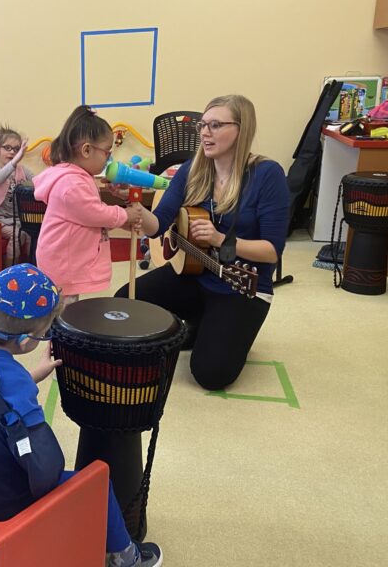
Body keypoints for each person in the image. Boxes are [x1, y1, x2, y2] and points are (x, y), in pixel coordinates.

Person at [0, 264, 162, 567]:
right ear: (23, 342)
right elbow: (47, 470)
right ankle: (127, 558)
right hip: (8, 505)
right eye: (43, 335)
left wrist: (32, 377)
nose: (43, 338)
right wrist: (25, 388)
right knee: (100, 482)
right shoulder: (15, 387)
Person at [115, 94, 289, 390]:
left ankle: (222, 329)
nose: (206, 133)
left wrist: (219, 238)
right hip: (197, 273)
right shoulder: (194, 168)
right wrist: (136, 208)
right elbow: (158, 225)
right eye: (203, 126)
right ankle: (201, 320)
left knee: (211, 375)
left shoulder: (266, 174)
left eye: (216, 125)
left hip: (242, 285)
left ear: (241, 129)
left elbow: (271, 251)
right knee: (125, 299)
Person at [34, 106, 142, 303]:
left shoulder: (78, 178)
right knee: (62, 312)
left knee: (68, 308)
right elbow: (94, 213)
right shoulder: (70, 184)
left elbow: (91, 216)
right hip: (62, 263)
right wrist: (125, 214)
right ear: (86, 150)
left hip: (69, 259)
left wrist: (120, 220)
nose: (109, 159)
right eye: (107, 153)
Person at [0, 125, 34, 267]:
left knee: (32, 233)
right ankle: (10, 272)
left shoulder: (22, 170)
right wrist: (14, 162)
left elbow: (38, 181)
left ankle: (30, 268)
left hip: (18, 220)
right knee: (17, 234)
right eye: (7, 148)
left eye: (16, 149)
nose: (12, 152)